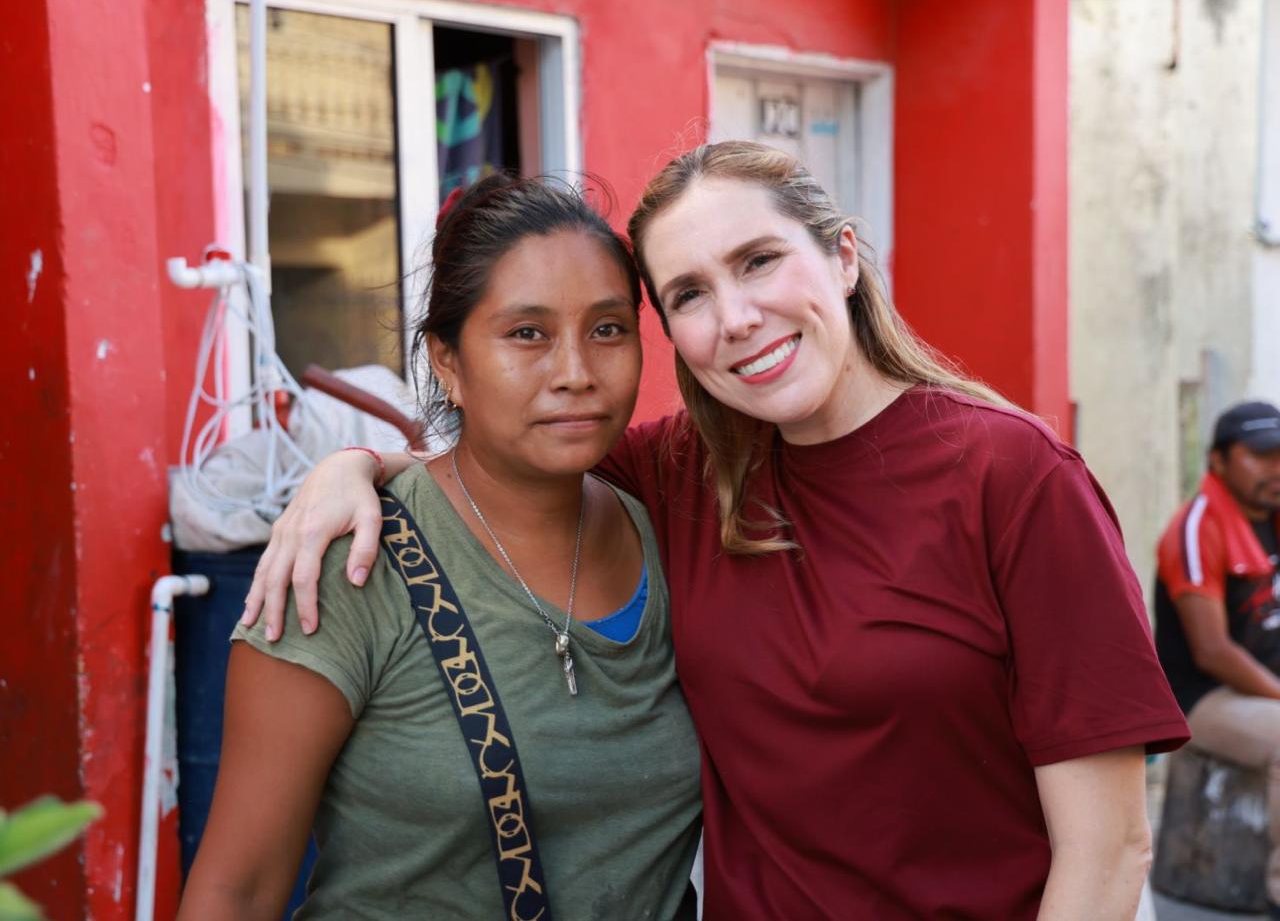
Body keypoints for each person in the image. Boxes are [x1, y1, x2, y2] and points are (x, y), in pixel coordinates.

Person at [245, 141, 1189, 919]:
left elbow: (1108, 851)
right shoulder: (684, 470)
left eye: (759, 261)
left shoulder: (1014, 478)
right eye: (689, 294)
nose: (736, 318)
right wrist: (351, 471)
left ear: (846, 257)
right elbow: (497, 458)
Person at [178, 175, 702, 921]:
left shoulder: (673, 532)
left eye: (608, 329)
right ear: (447, 362)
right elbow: (237, 892)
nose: (576, 373)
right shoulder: (345, 568)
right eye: (527, 334)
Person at [1154, 399, 1280, 913]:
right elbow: (1213, 651)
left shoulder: (1273, 518)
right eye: (1260, 456)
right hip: (1200, 700)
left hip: (1262, 690)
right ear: (1218, 461)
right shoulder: (1196, 526)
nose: (1275, 470)